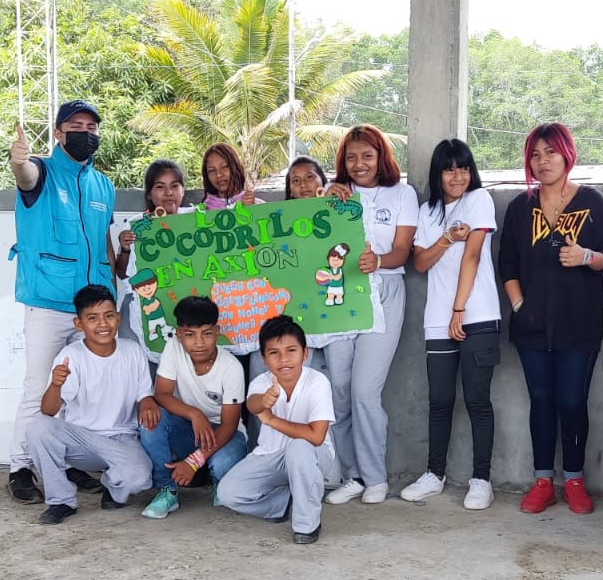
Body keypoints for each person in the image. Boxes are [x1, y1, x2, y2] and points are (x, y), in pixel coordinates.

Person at [498, 123, 603, 515]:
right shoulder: (520, 207)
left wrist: (586, 256)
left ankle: (575, 480)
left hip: (579, 325)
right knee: (541, 401)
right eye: (535, 154)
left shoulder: (592, 202)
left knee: (572, 401)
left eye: (550, 151)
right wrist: (520, 306)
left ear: (567, 154)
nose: (542, 161)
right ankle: (543, 482)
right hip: (531, 328)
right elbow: (507, 264)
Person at [5, 100, 116, 505]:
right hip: (49, 302)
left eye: (91, 126)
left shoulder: (103, 185)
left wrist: (110, 295)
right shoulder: (42, 171)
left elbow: (103, 240)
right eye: (75, 125)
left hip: (91, 309)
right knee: (39, 387)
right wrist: (18, 163)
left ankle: (60, 460)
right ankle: (20, 467)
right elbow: (26, 178)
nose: (85, 132)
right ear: (58, 133)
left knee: (76, 390)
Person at [322, 125, 419, 506]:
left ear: (381, 157)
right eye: (351, 157)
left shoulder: (402, 194)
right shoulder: (335, 194)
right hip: (339, 297)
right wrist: (324, 200)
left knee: (364, 391)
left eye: (367, 155)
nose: (359, 164)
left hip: (384, 293)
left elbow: (402, 250)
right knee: (339, 390)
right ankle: (353, 476)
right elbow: (316, 242)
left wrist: (378, 261)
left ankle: (376, 476)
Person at [402, 139, 500, 511]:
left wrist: (459, 309)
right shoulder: (427, 212)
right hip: (437, 320)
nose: (458, 176)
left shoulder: (479, 200)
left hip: (478, 315)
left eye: (464, 168)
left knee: (477, 401)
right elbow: (420, 263)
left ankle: (481, 479)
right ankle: (434, 474)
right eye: (449, 169)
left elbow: (472, 256)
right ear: (438, 174)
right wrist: (446, 238)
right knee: (440, 401)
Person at [25, 284, 157, 524]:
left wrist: (148, 403)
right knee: (38, 427)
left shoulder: (132, 350)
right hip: (81, 439)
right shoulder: (71, 356)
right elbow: (48, 410)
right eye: (93, 318)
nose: (103, 324)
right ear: (79, 324)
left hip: (121, 438)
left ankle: (111, 484)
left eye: (109, 316)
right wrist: (55, 385)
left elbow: (144, 394)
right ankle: (61, 500)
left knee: (140, 479)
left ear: (118, 318)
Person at [216, 316, 339, 544]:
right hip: (271, 455)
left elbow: (316, 436)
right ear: (264, 358)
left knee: (299, 447)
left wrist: (272, 420)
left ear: (305, 353)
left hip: (313, 457)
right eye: (274, 353)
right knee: (228, 493)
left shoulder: (317, 381)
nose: (283, 359)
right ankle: (280, 505)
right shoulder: (262, 382)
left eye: (291, 350)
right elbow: (253, 404)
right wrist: (263, 401)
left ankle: (307, 525)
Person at [137, 296, 248, 519]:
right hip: (188, 428)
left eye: (206, 334)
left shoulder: (231, 367)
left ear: (217, 332)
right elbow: (162, 394)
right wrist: (194, 413)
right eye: (190, 335)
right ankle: (166, 490)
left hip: (223, 434)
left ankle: (218, 482)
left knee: (224, 463)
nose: (199, 343)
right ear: (179, 335)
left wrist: (193, 462)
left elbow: (229, 425)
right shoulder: (173, 347)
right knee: (151, 420)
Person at [200, 143, 259, 211]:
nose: (218, 174)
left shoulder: (257, 205)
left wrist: (250, 209)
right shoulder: (202, 212)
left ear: (236, 167)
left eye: (224, 167)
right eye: (212, 170)